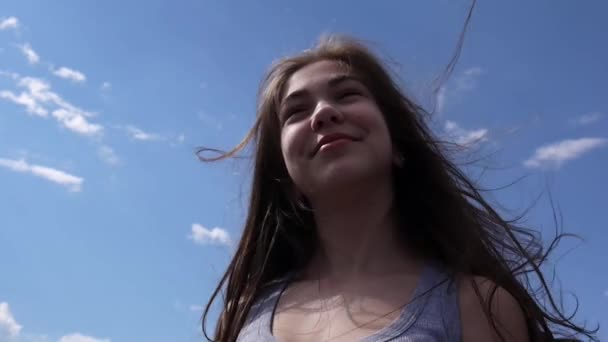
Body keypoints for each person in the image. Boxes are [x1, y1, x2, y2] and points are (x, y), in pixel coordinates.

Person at [198, 33, 598, 342]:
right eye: (296, 111)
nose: (323, 113)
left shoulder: (475, 305)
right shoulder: (241, 318)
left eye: (347, 94)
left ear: (398, 147)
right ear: (286, 183)